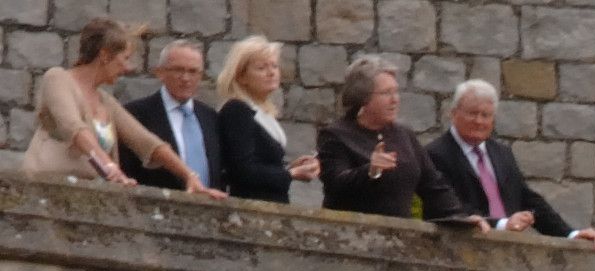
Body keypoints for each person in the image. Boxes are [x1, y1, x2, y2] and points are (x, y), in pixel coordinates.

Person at [416, 76, 593, 240]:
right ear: (453, 114)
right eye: (472, 113)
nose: (479, 121)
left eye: (485, 115)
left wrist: (570, 234)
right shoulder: (435, 154)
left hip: (508, 248)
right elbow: (450, 207)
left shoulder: (501, 153)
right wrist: (502, 224)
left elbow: (527, 199)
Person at [26, 19, 194, 187]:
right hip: (45, 188)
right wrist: (109, 167)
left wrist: (190, 176)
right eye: (125, 58)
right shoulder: (57, 78)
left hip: (86, 196)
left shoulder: (106, 101)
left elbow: (146, 142)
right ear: (105, 55)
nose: (128, 68)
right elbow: (74, 128)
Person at [311, 56, 421, 218]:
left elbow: (432, 184)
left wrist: (458, 216)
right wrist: (370, 171)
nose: (395, 100)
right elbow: (336, 185)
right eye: (386, 93)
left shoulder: (404, 134)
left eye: (396, 92)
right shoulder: (335, 136)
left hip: (400, 235)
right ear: (362, 97)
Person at [207, 33, 308, 202]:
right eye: (261, 68)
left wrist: (290, 168)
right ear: (241, 77)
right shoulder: (237, 110)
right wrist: (291, 173)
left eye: (274, 66)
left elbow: (264, 165)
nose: (271, 73)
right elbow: (243, 170)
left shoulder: (262, 111)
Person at [115, 31, 209, 191]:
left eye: (193, 71)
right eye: (178, 70)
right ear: (160, 73)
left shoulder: (210, 117)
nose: (186, 78)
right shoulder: (135, 114)